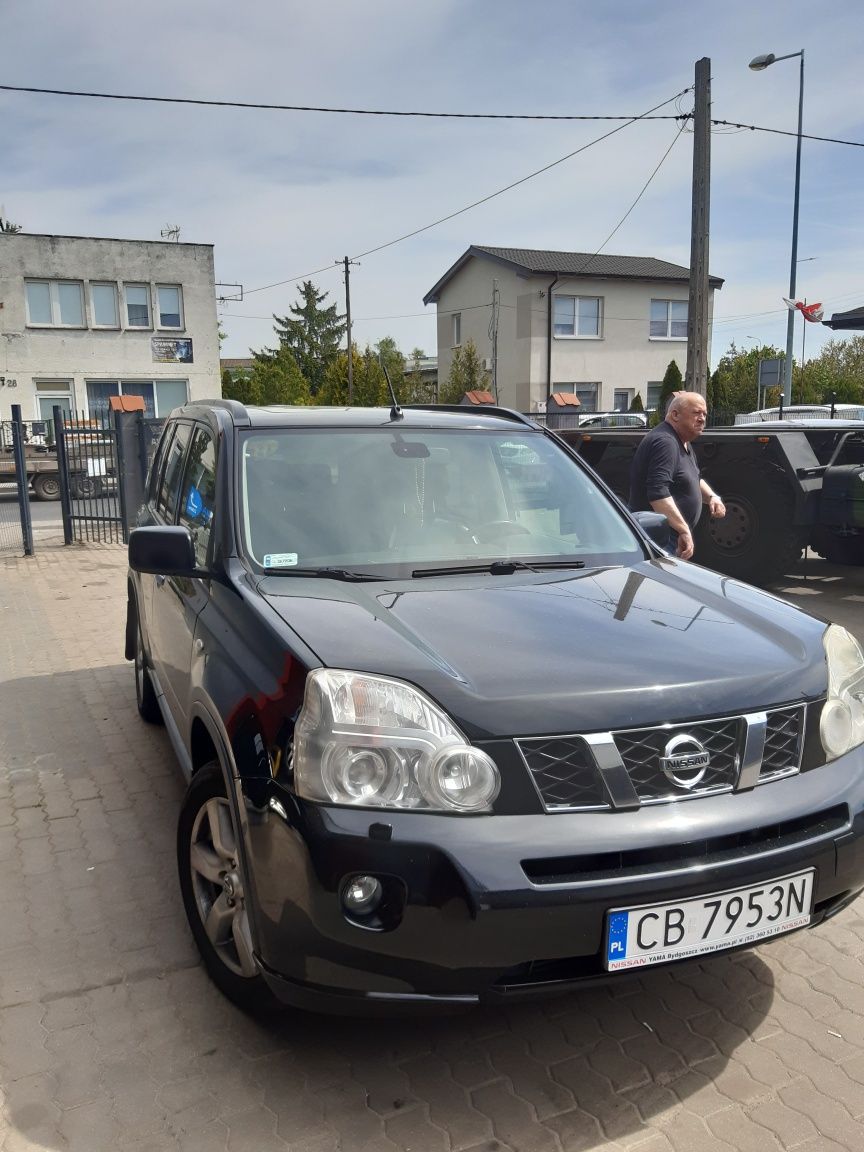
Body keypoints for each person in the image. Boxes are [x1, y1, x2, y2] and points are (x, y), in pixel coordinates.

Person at [628, 391, 725, 560]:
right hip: (659, 538)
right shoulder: (665, 442)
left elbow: (694, 478)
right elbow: (658, 494)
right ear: (675, 415)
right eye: (696, 413)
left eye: (704, 414)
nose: (702, 418)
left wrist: (712, 497)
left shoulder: (682, 442)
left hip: (668, 536)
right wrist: (683, 529)